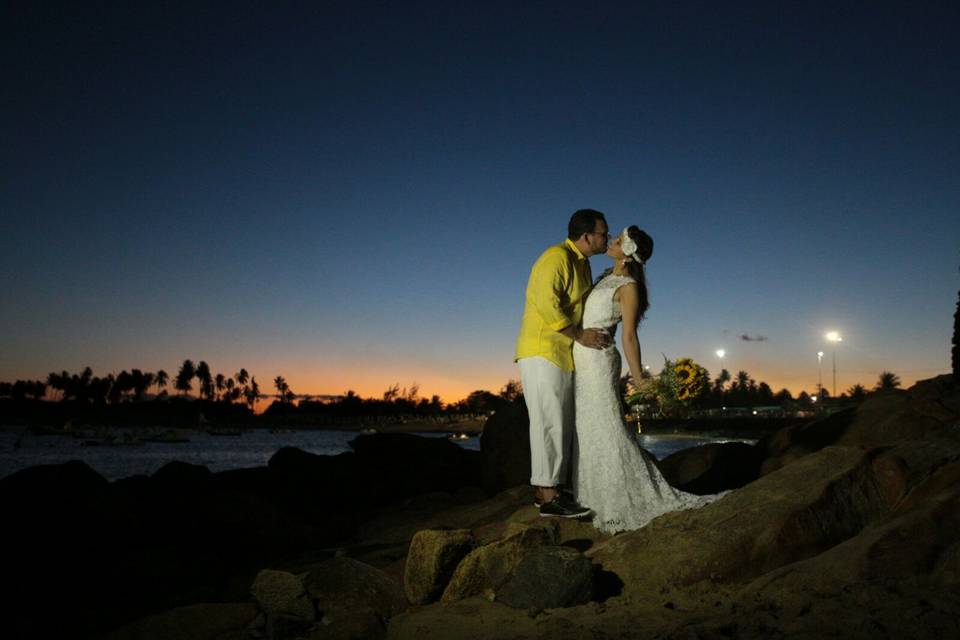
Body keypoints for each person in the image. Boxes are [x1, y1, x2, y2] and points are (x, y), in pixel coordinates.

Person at [572, 226, 722, 533]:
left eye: (617, 241)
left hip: (599, 361)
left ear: (628, 252)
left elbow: (628, 336)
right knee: (585, 427)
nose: (611, 242)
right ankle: (588, 495)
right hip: (581, 358)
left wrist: (639, 378)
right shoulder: (604, 279)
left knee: (606, 425)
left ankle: (618, 501)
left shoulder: (629, 286)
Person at [515, 209, 611, 518]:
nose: (606, 238)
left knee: (563, 421)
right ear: (586, 236)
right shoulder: (555, 257)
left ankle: (550, 490)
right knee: (548, 421)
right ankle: (548, 495)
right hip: (542, 349)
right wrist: (579, 335)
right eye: (602, 233)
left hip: (563, 352)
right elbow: (545, 301)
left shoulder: (581, 265)